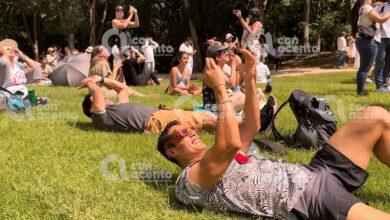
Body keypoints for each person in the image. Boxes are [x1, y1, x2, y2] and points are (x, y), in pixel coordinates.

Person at [157, 49, 390, 220]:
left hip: (316, 171)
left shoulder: (220, 160)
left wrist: (248, 79)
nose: (191, 133)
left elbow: (250, 126)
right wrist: (220, 88)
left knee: (376, 116)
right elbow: (228, 144)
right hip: (308, 198)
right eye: (181, 134)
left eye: (189, 129)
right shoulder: (189, 181)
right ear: (171, 150)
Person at [79, 75, 217, 134]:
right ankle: (235, 128)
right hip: (156, 120)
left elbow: (122, 89)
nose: (104, 97)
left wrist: (103, 79)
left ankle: (235, 126)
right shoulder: (100, 119)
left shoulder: (117, 109)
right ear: (92, 108)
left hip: (164, 114)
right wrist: (89, 82)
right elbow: (96, 91)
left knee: (206, 120)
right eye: (97, 99)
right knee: (208, 119)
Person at [356, 0, 390, 96]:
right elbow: (379, 19)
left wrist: (374, 5)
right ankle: (367, 90)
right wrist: (386, 13)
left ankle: (362, 91)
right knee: (373, 65)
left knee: (364, 67)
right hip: (374, 39)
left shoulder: (364, 7)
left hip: (364, 39)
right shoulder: (373, 7)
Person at [374, 0, 390, 93]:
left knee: (388, 63)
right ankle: (379, 86)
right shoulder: (382, 6)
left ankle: (386, 84)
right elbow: (369, 13)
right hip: (382, 38)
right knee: (380, 61)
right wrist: (374, 5)